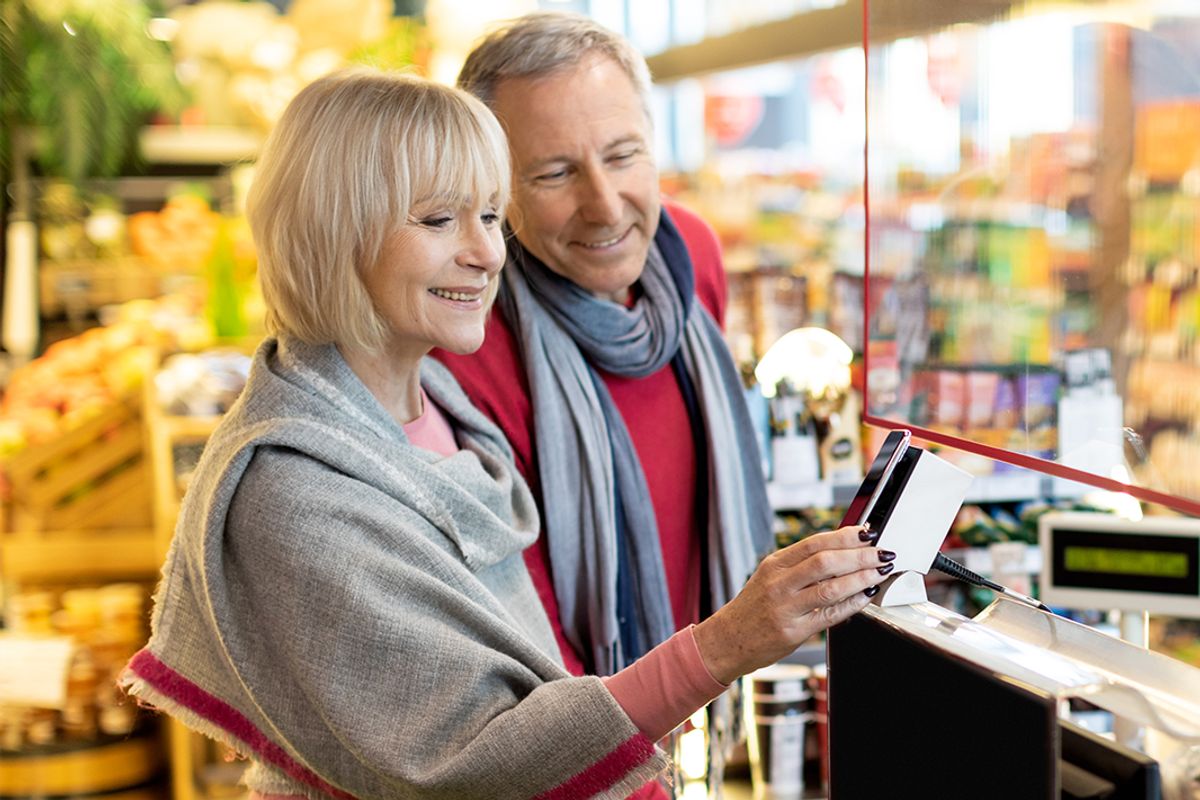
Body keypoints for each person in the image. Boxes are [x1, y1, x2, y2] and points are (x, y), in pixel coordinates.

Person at [120, 69, 893, 799]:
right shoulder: (290, 490)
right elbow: (475, 764)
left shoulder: (449, 414)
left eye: (490, 215)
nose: (487, 251)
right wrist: (727, 643)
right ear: (331, 231)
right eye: (437, 219)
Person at [434, 12, 776, 684]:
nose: (606, 205)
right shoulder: (462, 335)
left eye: (623, 156)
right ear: (492, 193)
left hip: (709, 695)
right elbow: (509, 614)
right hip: (581, 722)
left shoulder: (690, 255)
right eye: (555, 174)